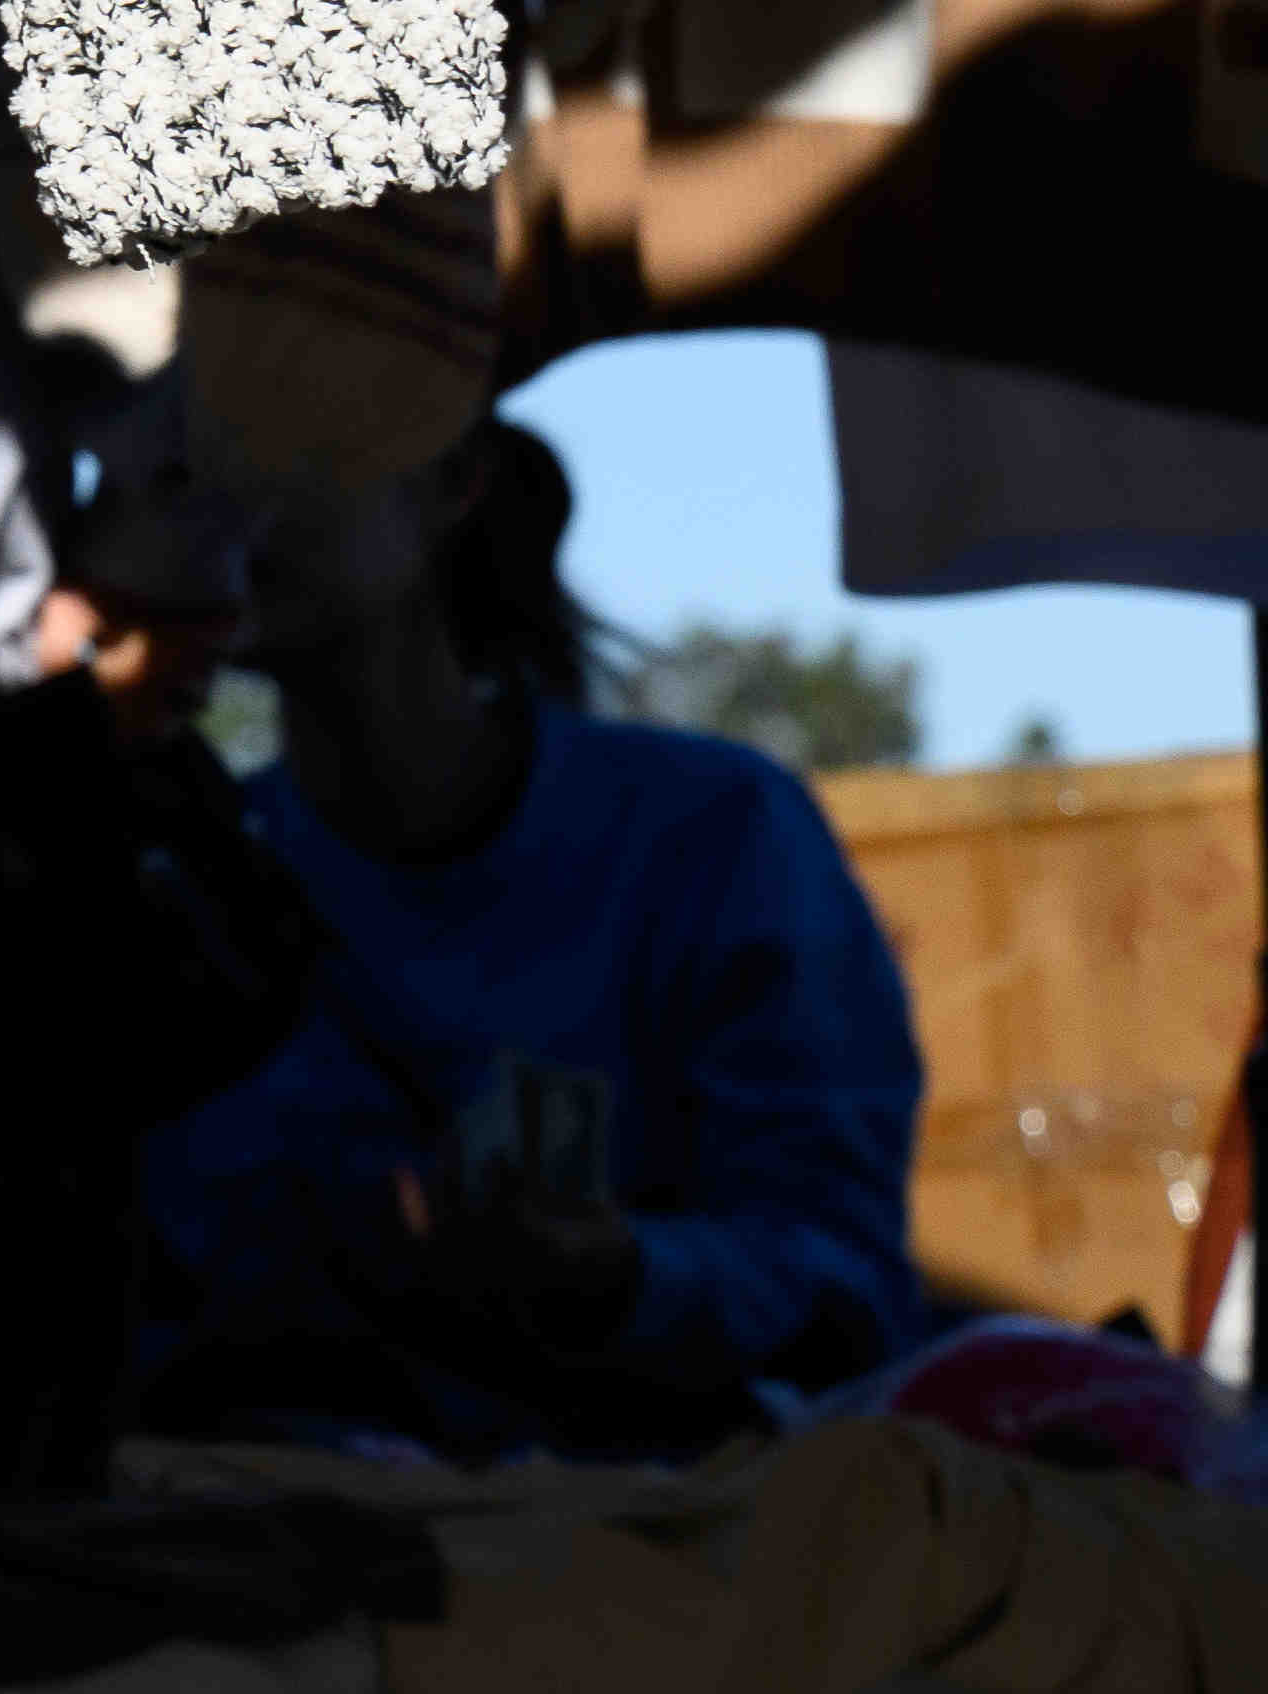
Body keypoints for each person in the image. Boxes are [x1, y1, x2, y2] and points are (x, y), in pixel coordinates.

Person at [123, 418, 932, 1456]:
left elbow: (844, 1278)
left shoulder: (721, 836)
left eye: (287, 427)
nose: (223, 501)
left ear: (452, 475)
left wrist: (619, 1276)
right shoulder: (170, 888)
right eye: (185, 457)